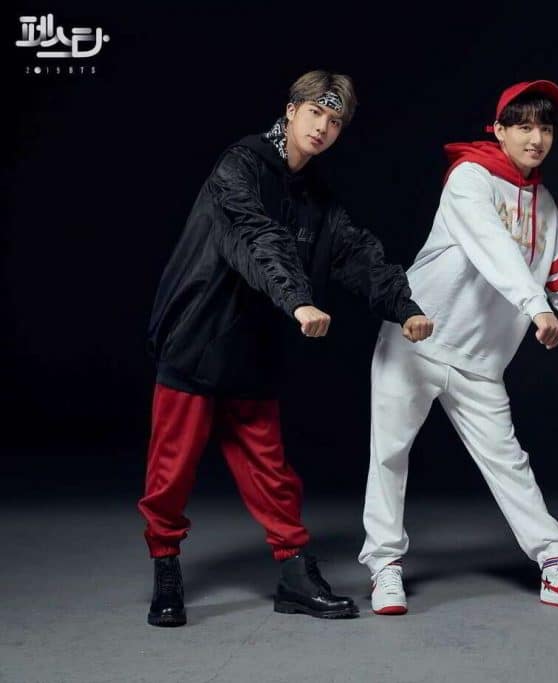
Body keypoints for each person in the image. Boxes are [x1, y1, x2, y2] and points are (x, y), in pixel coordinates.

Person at [140, 70, 433, 627]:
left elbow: (358, 254)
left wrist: (406, 308)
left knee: (272, 472)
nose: (322, 127)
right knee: (170, 472)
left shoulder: (316, 199)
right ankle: (165, 566)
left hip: (252, 351)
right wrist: (298, 300)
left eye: (335, 120)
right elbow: (254, 236)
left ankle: (295, 573)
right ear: (292, 109)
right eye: (315, 112)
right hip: (196, 339)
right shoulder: (239, 167)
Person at [359, 80, 558, 615]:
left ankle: (556, 565)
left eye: (545, 128)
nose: (536, 139)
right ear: (498, 130)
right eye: (524, 127)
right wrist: (535, 307)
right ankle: (384, 566)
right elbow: (493, 248)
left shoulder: (545, 205)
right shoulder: (468, 178)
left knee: (509, 463)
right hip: (415, 343)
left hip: (479, 364)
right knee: (390, 455)